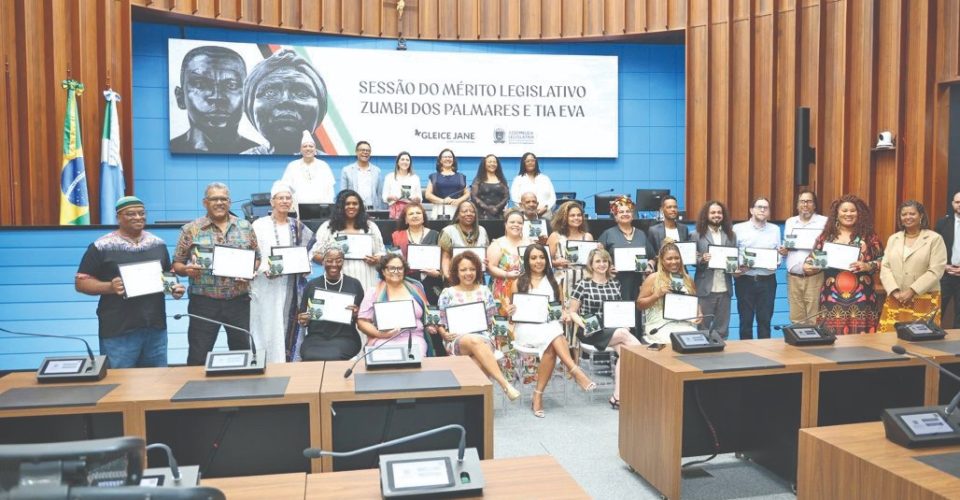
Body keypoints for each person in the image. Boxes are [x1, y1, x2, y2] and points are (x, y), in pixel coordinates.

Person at [75, 196, 185, 368]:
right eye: (131, 214)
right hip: (118, 331)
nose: (138, 217)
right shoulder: (101, 246)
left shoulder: (158, 244)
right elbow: (81, 282)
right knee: (120, 387)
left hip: (155, 328)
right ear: (119, 217)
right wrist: (109, 287)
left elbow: (167, 276)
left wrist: (174, 289)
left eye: (142, 213)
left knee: (158, 383)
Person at [173, 183, 259, 365]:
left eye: (223, 199)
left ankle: (244, 391)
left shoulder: (245, 227)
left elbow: (257, 257)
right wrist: (186, 269)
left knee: (242, 352)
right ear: (205, 202)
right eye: (214, 199)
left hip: (238, 301)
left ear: (229, 202)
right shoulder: (191, 229)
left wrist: (251, 270)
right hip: (204, 303)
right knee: (198, 354)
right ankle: (195, 392)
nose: (219, 202)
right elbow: (177, 264)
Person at [508, 244, 596, 417]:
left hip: (548, 326)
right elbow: (513, 315)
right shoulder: (518, 282)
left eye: (541, 257)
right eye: (533, 258)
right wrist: (510, 310)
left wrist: (564, 314)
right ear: (527, 260)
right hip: (526, 327)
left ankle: (537, 395)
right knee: (555, 334)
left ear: (546, 260)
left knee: (552, 338)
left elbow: (561, 309)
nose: (538, 261)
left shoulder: (554, 281)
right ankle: (575, 370)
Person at [436, 251, 520, 401]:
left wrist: (506, 314)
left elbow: (492, 320)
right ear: (456, 271)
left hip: (484, 337)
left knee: (478, 358)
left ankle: (471, 404)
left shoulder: (484, 291)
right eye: (463, 270)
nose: (468, 273)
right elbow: (440, 322)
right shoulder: (447, 293)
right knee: (474, 341)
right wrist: (443, 334)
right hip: (457, 339)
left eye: (472, 269)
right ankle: (504, 383)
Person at [250, 181, 315, 363]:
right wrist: (265, 269)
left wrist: (305, 266)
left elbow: (309, 251)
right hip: (266, 284)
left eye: (288, 198)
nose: (285, 201)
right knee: (266, 324)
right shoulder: (259, 225)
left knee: (286, 323)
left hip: (291, 286)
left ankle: (288, 364)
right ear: (272, 202)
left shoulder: (298, 226)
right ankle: (264, 362)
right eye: (281, 198)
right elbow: (253, 254)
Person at [569, 248, 641, 409]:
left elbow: (619, 308)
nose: (602, 264)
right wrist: (585, 324)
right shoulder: (583, 284)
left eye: (605, 261)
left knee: (626, 353)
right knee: (624, 336)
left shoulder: (615, 284)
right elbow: (572, 312)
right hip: (590, 330)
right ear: (591, 264)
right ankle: (649, 365)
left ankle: (617, 396)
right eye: (598, 261)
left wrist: (624, 323)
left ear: (609, 264)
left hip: (612, 329)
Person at [802, 194, 884, 334]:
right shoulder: (827, 237)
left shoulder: (869, 236)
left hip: (862, 297)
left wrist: (868, 266)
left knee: (862, 344)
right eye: (844, 210)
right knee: (831, 340)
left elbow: (884, 262)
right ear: (837, 213)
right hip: (831, 298)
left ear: (859, 214)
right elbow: (810, 263)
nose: (848, 214)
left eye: (853, 210)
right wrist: (810, 267)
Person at [170, 46, 260, 154]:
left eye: (231, 85)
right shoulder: (171, 149)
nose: (217, 97)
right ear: (180, 98)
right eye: (200, 84)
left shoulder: (259, 154)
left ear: (247, 98)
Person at [242, 49, 327, 155]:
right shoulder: (238, 164)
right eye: (270, 92)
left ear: (320, 106)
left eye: (302, 93)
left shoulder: (326, 165)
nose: (285, 101)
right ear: (250, 105)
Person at [879, 201, 947, 331]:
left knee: (922, 338)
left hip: (924, 297)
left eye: (912, 213)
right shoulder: (894, 238)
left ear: (921, 215)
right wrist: (894, 290)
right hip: (896, 297)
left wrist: (912, 291)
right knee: (890, 337)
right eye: (904, 214)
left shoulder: (934, 238)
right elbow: (885, 266)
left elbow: (936, 270)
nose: (907, 217)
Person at [357, 254, 435, 357]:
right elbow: (362, 322)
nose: (396, 271)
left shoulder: (416, 289)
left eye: (399, 268)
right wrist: (381, 334)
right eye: (392, 268)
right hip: (383, 339)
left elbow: (429, 312)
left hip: (413, 338)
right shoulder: (373, 292)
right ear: (383, 271)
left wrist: (431, 325)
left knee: (413, 361)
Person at [309, 190, 386, 292]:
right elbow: (315, 254)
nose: (351, 206)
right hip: (337, 282)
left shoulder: (371, 226)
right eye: (347, 204)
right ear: (340, 207)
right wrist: (331, 261)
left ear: (360, 206)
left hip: (367, 280)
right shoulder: (327, 227)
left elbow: (381, 253)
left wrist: (376, 259)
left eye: (355, 204)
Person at [598, 195, 653, 336]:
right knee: (618, 318)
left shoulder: (641, 234)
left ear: (632, 215)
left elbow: (653, 257)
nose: (625, 214)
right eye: (621, 212)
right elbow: (597, 258)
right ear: (615, 216)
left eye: (628, 211)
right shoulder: (608, 234)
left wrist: (650, 266)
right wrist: (607, 268)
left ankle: (635, 349)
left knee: (636, 316)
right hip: (615, 283)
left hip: (637, 283)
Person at [296, 246, 364, 361]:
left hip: (346, 337)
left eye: (338, 261)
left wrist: (357, 314)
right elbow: (303, 318)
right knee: (309, 355)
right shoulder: (312, 285)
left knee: (334, 355)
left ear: (343, 262)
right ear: (322, 262)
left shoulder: (354, 284)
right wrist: (303, 319)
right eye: (329, 260)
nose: (334, 264)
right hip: (316, 337)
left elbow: (364, 318)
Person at [733, 197, 781, 340]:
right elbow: (732, 253)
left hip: (767, 281)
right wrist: (738, 267)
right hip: (745, 280)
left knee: (765, 321)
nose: (762, 210)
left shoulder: (775, 229)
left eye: (765, 208)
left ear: (769, 211)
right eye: (759, 207)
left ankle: (766, 355)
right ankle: (746, 357)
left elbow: (778, 252)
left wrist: (777, 261)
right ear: (751, 210)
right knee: (745, 321)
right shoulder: (738, 228)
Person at [546, 201, 595, 342]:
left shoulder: (588, 237)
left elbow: (593, 262)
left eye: (579, 215)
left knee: (580, 315)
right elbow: (545, 261)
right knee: (564, 318)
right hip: (563, 281)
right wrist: (556, 262)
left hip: (584, 280)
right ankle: (562, 357)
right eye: (572, 215)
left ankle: (578, 356)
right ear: (564, 217)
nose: (576, 218)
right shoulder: (556, 236)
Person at [779, 190, 828, 323]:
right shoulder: (790, 222)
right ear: (797, 205)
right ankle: (798, 343)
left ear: (814, 205)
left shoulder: (824, 222)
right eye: (802, 201)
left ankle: (815, 344)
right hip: (793, 278)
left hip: (814, 277)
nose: (805, 204)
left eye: (809, 201)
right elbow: (789, 246)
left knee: (814, 317)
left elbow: (827, 248)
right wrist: (784, 251)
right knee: (796, 319)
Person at [636, 243, 700, 345]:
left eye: (677, 258)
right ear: (662, 260)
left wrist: (698, 313)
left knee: (698, 341)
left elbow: (695, 302)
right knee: (675, 341)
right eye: (669, 259)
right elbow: (639, 304)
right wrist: (656, 295)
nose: (674, 262)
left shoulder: (688, 279)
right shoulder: (653, 278)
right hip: (659, 326)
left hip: (684, 325)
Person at [691, 200, 736, 339]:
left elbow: (733, 257)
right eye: (713, 212)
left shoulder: (731, 235)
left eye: (719, 212)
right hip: (705, 288)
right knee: (702, 328)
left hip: (725, 288)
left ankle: (720, 358)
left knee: (722, 329)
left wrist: (736, 267)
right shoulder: (696, 234)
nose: (716, 215)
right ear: (706, 214)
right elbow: (691, 257)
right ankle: (700, 357)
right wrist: (702, 259)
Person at [391, 203, 442, 303]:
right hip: (406, 281)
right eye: (411, 214)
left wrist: (438, 274)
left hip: (431, 280)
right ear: (405, 219)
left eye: (418, 213)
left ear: (423, 217)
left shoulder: (435, 235)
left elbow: (443, 260)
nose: (415, 216)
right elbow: (394, 260)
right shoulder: (397, 236)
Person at [487, 209, 533, 316]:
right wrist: (507, 274)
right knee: (502, 324)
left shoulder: (530, 243)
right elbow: (491, 267)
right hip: (501, 291)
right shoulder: (497, 244)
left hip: (525, 288)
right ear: (505, 224)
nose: (516, 225)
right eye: (512, 222)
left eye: (519, 223)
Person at [280, 131, 335, 209]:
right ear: (301, 150)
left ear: (315, 149)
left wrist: (328, 207)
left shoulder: (324, 166)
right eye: (305, 146)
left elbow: (330, 190)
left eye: (311, 146)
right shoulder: (292, 166)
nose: (308, 148)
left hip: (320, 210)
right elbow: (286, 188)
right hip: (298, 209)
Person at [438, 201, 490, 281]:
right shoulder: (448, 231)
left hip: (477, 278)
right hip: (455, 278)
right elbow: (446, 257)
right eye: (464, 211)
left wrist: (486, 262)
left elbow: (487, 255)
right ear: (458, 215)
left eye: (472, 211)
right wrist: (448, 276)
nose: (469, 213)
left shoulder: (482, 230)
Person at [935, 191, 960, 328]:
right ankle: (930, 343)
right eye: (957, 202)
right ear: (952, 204)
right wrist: (943, 266)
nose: (959, 205)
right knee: (937, 311)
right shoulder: (942, 223)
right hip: (945, 274)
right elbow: (933, 249)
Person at [425, 148, 470, 220]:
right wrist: (443, 201)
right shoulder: (434, 176)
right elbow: (428, 195)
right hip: (439, 210)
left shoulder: (461, 176)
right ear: (440, 160)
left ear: (453, 160)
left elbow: (467, 193)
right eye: (445, 157)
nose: (448, 159)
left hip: (457, 209)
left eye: (450, 157)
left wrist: (459, 200)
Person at [341, 141, 386, 211]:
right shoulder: (346, 170)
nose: (365, 152)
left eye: (368, 150)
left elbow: (379, 194)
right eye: (362, 150)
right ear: (356, 152)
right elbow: (343, 194)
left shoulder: (377, 171)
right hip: (353, 209)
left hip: (372, 209)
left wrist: (380, 210)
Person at [510, 152, 556, 218]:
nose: (530, 163)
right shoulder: (518, 179)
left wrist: (546, 207)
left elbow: (553, 197)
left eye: (532, 160)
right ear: (523, 163)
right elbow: (515, 198)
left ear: (536, 162)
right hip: (525, 215)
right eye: (527, 161)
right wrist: (526, 210)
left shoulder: (545, 178)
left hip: (545, 214)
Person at [382, 151, 422, 219]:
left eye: (407, 160)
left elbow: (420, 198)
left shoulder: (415, 178)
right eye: (402, 159)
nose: (405, 162)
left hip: (411, 211)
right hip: (394, 210)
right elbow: (384, 197)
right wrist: (391, 197)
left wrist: (416, 199)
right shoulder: (389, 177)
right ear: (397, 162)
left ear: (410, 163)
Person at [470, 154, 509, 219]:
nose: (492, 164)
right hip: (481, 215)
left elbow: (506, 197)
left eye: (494, 162)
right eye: (489, 162)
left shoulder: (502, 179)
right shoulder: (478, 179)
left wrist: (496, 208)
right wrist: (487, 208)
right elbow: (474, 196)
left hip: (498, 214)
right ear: (484, 164)